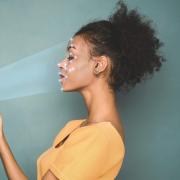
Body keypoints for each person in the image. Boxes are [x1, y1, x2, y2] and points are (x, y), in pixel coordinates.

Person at [0, 0, 166, 179]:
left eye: (71, 57)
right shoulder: (76, 127)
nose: (61, 63)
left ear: (99, 65)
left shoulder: (101, 137)